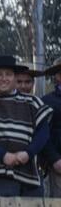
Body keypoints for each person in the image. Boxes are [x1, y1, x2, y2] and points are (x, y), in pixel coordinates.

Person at [0, 55, 52, 197]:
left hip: (30, 171)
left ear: (15, 78)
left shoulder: (32, 102)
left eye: (8, 74)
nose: (4, 78)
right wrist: (3, 155)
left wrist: (28, 153)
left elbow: (43, 132)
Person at [41, 57, 61, 197]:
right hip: (58, 167)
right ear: (57, 76)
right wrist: (54, 159)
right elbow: (43, 134)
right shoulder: (47, 101)